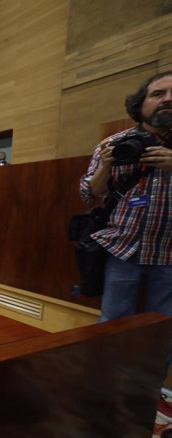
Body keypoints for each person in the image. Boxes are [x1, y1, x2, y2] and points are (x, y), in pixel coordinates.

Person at [79, 71, 172, 403]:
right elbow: (88, 194)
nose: (167, 99)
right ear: (141, 102)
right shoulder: (114, 144)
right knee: (113, 323)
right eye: (158, 93)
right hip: (124, 250)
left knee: (162, 333)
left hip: (170, 257)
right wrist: (105, 165)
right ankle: (101, 389)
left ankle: (145, 395)